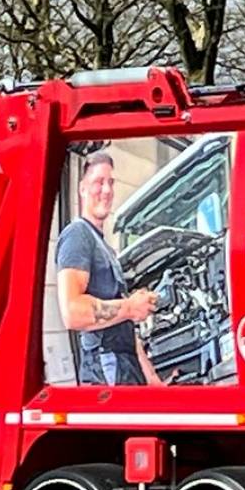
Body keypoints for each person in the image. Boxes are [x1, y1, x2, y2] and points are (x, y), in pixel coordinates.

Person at [55, 151, 168, 386]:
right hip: (105, 372)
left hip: (125, 368)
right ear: (82, 188)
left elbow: (124, 326)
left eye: (110, 183)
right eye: (98, 182)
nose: (106, 190)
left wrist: (152, 378)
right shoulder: (78, 235)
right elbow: (72, 311)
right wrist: (129, 306)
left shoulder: (105, 247)